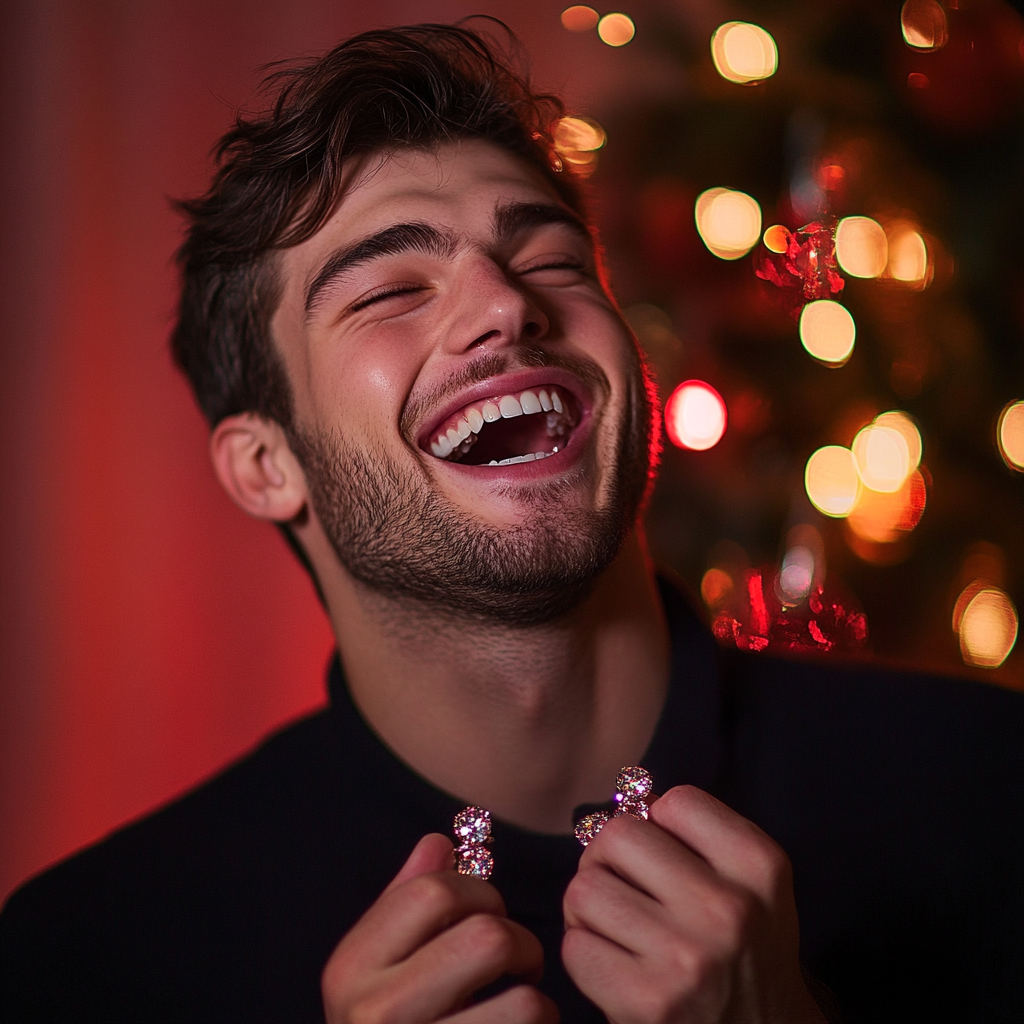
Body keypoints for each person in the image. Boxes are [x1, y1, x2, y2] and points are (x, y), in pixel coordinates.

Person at [2, 21, 1022, 1024]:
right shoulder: (89, 956)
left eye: (552, 262)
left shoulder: (990, 792)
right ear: (267, 465)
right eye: (391, 290)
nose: (503, 304)